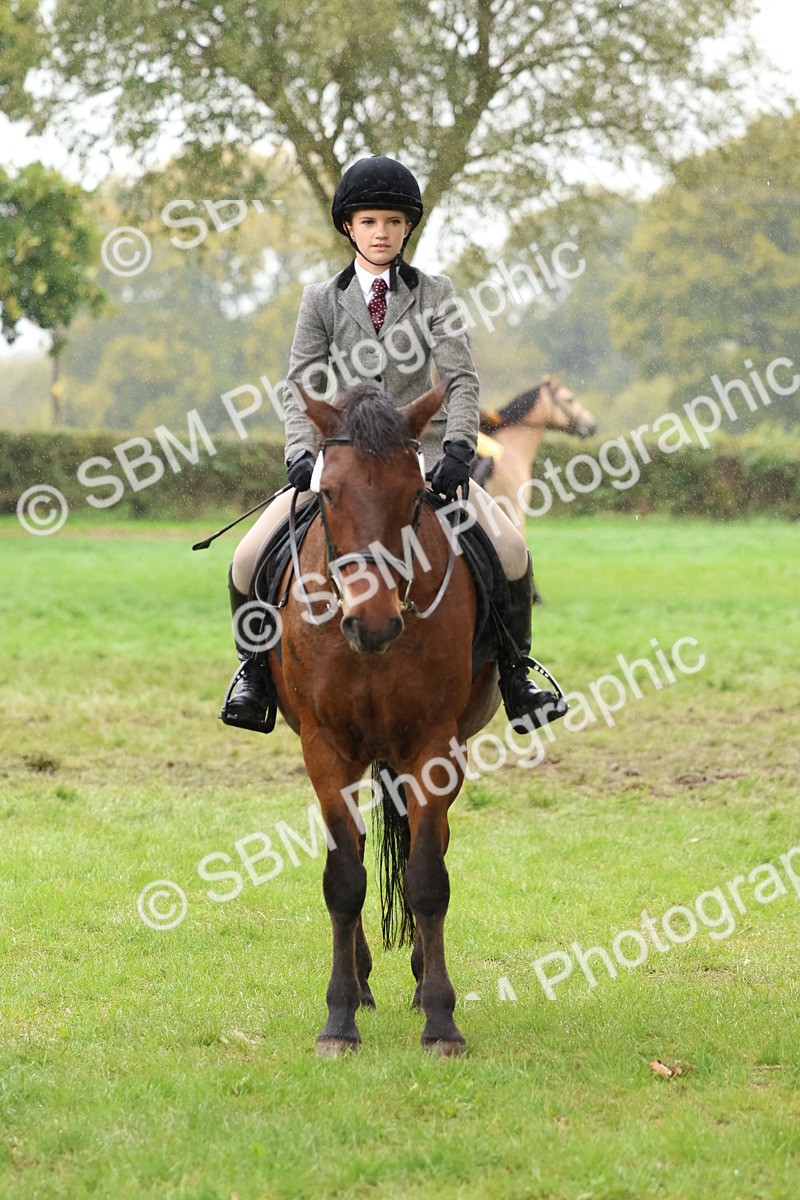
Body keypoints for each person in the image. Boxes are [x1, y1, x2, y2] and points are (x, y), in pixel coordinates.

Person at [221, 155, 567, 733]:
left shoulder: (435, 293)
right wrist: (301, 453)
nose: (380, 232)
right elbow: (300, 384)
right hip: (345, 461)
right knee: (247, 557)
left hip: (421, 460)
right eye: (368, 221)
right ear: (349, 228)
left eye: (392, 221)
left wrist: (458, 447)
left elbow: (459, 378)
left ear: (407, 228)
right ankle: (253, 674)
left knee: (510, 550)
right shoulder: (321, 301)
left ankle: (515, 674)